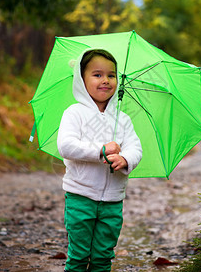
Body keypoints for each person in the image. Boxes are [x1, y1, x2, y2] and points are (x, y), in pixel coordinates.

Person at [57, 48, 142, 272]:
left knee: (103, 256)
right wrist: (100, 150)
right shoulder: (74, 113)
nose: (106, 80)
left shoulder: (122, 119)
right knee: (79, 254)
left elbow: (136, 147)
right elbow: (66, 145)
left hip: (113, 201)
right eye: (97, 75)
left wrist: (125, 158)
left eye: (111, 75)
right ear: (81, 80)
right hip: (80, 197)